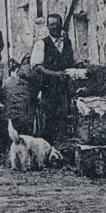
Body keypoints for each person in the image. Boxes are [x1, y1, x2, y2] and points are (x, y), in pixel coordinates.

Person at [29, 13, 77, 141]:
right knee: (50, 118)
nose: (55, 28)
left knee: (65, 116)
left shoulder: (67, 42)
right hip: (49, 87)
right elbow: (37, 67)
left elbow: (72, 61)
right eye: (52, 25)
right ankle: (49, 149)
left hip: (65, 87)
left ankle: (63, 149)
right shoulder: (41, 44)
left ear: (61, 25)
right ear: (48, 27)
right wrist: (55, 74)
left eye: (57, 25)